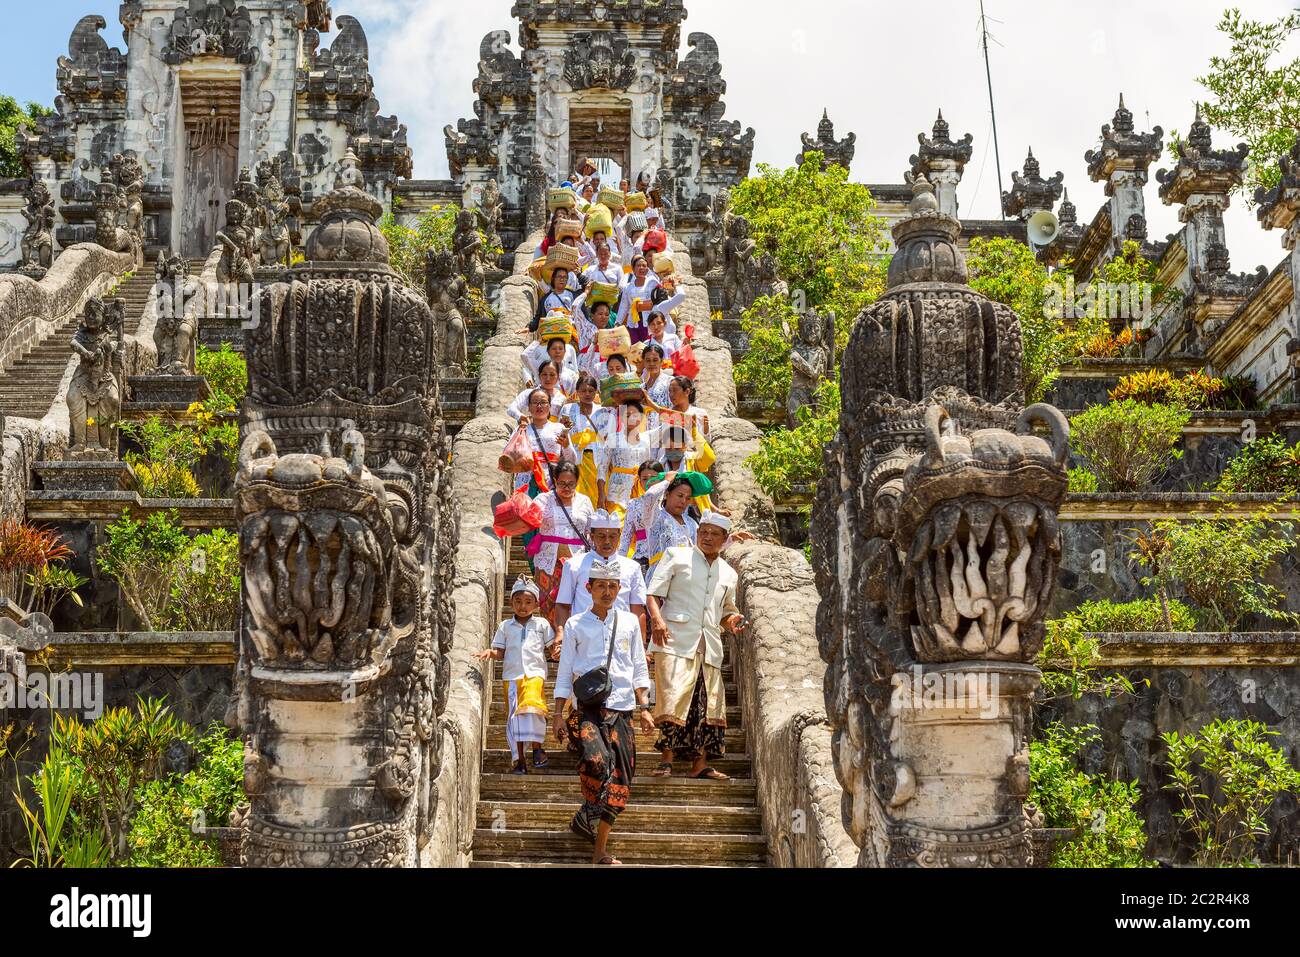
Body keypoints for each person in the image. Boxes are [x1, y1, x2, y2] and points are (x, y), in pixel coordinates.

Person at [553, 558, 655, 865]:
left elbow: (638, 664)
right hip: (588, 709)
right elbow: (565, 669)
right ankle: (587, 816)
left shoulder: (628, 623)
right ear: (589, 588)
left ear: (620, 588)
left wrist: (645, 706)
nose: (607, 592)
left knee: (621, 779)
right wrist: (557, 713)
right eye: (601, 586)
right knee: (597, 762)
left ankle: (598, 846)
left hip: (622, 708)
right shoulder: (574, 624)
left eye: (612, 586)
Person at [645, 512, 746, 780]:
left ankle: (700, 764)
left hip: (709, 644)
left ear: (725, 539)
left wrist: (732, 621)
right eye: (704, 531)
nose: (708, 537)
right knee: (673, 698)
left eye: (715, 534)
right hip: (673, 639)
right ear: (697, 532)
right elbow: (653, 593)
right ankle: (666, 760)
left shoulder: (729, 573)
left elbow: (726, 611)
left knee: (706, 703)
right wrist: (657, 620)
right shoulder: (676, 557)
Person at [476, 577, 556, 773]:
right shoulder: (505, 626)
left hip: (535, 674)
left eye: (528, 602)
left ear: (536, 604)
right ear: (511, 602)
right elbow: (500, 652)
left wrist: (559, 650)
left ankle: (537, 749)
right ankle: (520, 761)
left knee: (532, 706)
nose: (523, 606)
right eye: (518, 601)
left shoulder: (542, 624)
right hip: (511, 677)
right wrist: (490, 652)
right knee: (515, 719)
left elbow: (552, 647)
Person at [554, 510, 647, 649]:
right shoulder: (573, 565)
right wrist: (561, 633)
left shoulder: (632, 567)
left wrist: (642, 646)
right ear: (592, 537)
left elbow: (637, 609)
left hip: (621, 638)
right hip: (583, 637)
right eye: (601, 536)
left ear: (619, 537)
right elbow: (563, 604)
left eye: (612, 536)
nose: (607, 541)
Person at [528, 461, 594, 619]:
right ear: (555, 481)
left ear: (577, 482)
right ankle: (551, 642)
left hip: (578, 560)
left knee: (575, 603)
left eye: (571, 484)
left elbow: (592, 531)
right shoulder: (542, 500)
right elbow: (528, 519)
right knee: (548, 603)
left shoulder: (584, 501)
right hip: (548, 560)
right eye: (562, 483)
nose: (567, 488)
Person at [621, 471, 698, 577]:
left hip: (684, 580)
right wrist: (667, 481)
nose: (683, 501)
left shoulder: (691, 523)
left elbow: (702, 548)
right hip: (658, 577)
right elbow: (649, 496)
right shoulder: (655, 517)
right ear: (667, 494)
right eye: (680, 495)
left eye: (688, 498)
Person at [506, 387, 574, 492]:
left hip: (551, 482)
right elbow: (508, 457)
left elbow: (572, 460)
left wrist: (566, 446)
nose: (539, 406)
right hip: (525, 483)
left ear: (550, 406)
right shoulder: (521, 430)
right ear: (528, 407)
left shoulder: (559, 428)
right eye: (535, 402)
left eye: (543, 402)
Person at [595, 400, 653, 518]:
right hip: (617, 490)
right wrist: (601, 494)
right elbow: (602, 468)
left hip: (640, 490)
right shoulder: (613, 438)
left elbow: (648, 469)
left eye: (635, 415)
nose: (631, 418)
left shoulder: (646, 441)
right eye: (627, 415)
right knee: (617, 523)